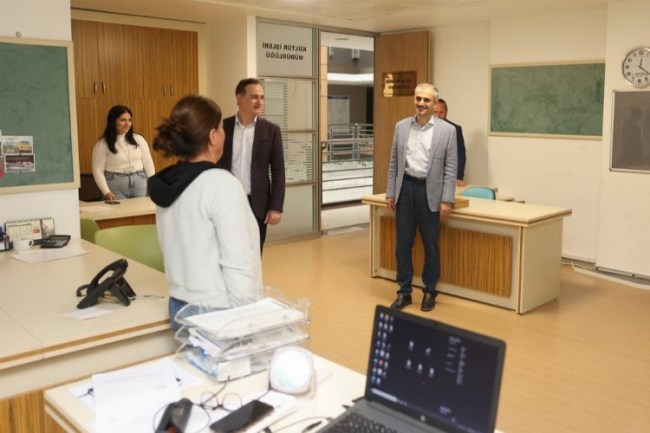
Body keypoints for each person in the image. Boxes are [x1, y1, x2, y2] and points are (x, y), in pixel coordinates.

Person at [148, 95, 263, 329]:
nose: (223, 134)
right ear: (212, 136)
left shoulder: (170, 183)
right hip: (218, 310)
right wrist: (249, 318)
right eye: (221, 128)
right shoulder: (221, 184)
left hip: (179, 304)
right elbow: (237, 262)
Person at [386, 83, 457, 312]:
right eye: (418, 99)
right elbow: (394, 162)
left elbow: (450, 169)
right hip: (406, 189)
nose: (421, 103)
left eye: (426, 100)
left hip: (430, 192)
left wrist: (447, 199)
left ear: (434, 103)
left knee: (430, 246)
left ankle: (429, 292)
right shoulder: (401, 127)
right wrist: (391, 192)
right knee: (403, 245)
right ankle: (404, 292)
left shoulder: (447, 131)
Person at [218, 78, 285, 252]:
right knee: (227, 250)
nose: (259, 102)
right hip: (227, 202)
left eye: (262, 97)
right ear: (239, 98)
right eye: (254, 97)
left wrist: (276, 207)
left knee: (254, 254)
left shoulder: (271, 130)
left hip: (257, 204)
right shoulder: (222, 128)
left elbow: (278, 171)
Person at [92, 105, 155, 200]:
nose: (127, 124)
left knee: (141, 209)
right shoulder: (102, 144)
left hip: (140, 182)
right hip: (115, 184)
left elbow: (148, 164)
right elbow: (97, 170)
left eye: (129, 120)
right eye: (123, 120)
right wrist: (106, 192)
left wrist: (152, 184)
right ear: (113, 121)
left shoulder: (139, 139)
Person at [433, 98, 466, 186]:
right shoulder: (425, 129)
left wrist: (458, 177)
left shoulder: (455, 129)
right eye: (435, 112)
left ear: (446, 113)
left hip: (449, 176)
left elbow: (461, 155)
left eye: (441, 112)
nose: (438, 115)